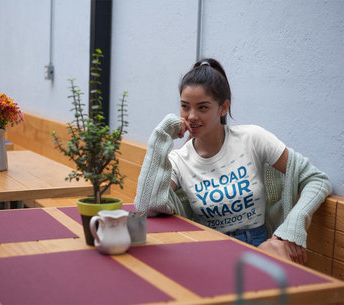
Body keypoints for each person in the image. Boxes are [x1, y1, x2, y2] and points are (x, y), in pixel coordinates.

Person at [134, 58, 332, 264]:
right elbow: (145, 206)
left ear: (223, 108)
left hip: (261, 248)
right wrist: (161, 137)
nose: (191, 116)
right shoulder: (178, 160)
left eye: (202, 108)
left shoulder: (252, 139)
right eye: (185, 107)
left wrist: (290, 229)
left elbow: (316, 179)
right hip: (210, 254)